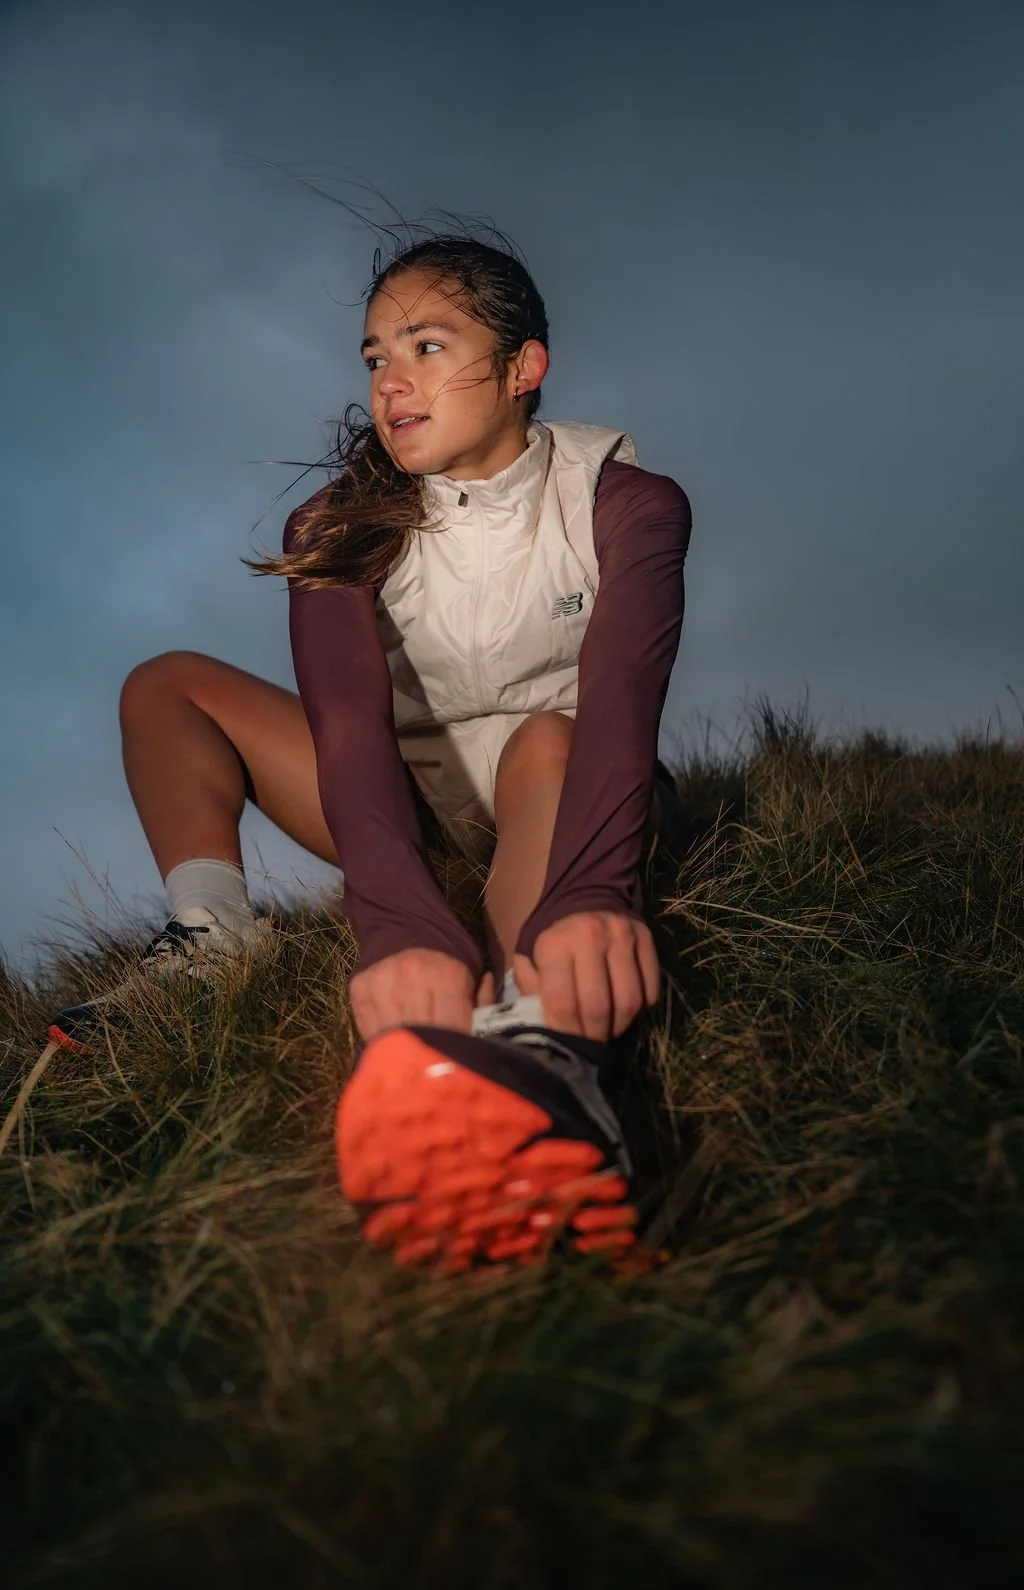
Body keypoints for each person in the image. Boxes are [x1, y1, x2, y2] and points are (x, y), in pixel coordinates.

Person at [49, 229, 692, 1274]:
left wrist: (593, 897)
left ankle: (547, 1071)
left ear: (524, 367)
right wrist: (397, 928)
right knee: (166, 685)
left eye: (427, 347)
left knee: (547, 738)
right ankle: (214, 939)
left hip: (569, 789)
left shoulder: (628, 502)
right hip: (416, 806)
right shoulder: (338, 523)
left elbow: (624, 705)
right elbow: (346, 731)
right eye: (374, 358)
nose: (391, 382)